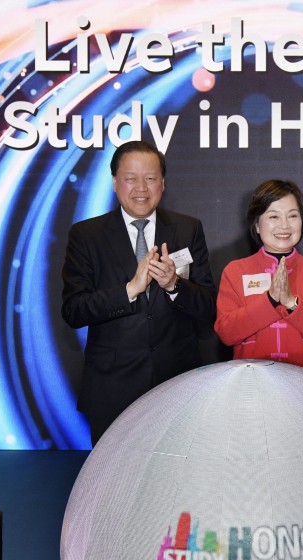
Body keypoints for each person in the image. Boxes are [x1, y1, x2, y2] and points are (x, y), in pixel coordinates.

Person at [61, 140, 216, 444]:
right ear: (115, 183)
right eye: (131, 178)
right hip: (112, 385)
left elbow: (209, 305)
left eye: (151, 178)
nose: (141, 187)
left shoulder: (188, 228)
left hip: (177, 382)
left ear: (163, 183)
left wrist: (174, 286)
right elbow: (74, 310)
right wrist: (130, 289)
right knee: (113, 479)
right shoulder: (87, 235)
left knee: (172, 477)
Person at [214, 179, 303, 374]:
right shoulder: (235, 271)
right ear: (257, 224)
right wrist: (270, 300)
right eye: (273, 216)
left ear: (302, 222)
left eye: (292, 216)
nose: (284, 225)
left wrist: (292, 303)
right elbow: (227, 333)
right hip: (252, 384)